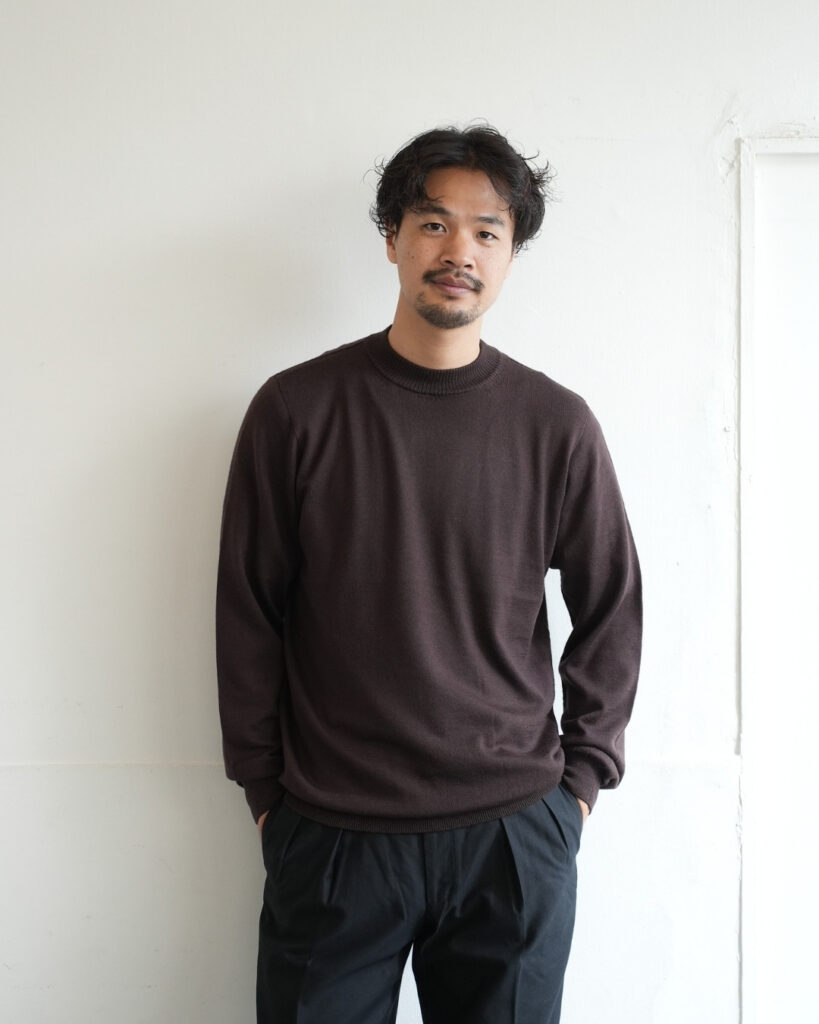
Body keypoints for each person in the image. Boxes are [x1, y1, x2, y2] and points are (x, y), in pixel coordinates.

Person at [216, 124, 642, 1024]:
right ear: (392, 239)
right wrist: (265, 796)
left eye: (487, 231)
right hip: (332, 831)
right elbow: (249, 609)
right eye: (433, 224)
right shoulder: (296, 410)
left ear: (511, 255)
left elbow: (611, 603)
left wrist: (579, 785)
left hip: (511, 835)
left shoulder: (555, 425)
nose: (459, 251)